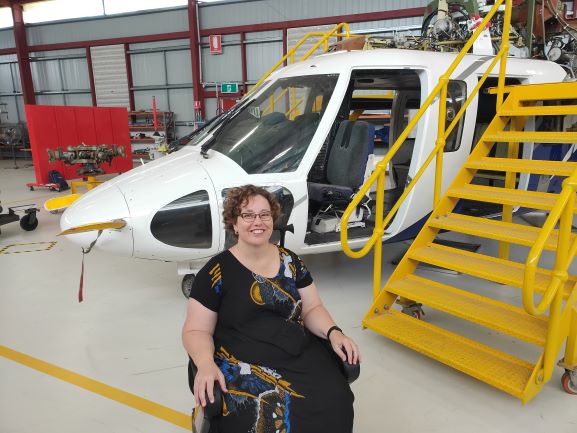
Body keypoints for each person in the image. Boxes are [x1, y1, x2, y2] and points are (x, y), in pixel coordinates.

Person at [182, 184, 361, 433]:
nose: (258, 221)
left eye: (264, 214)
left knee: (336, 399)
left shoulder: (291, 262)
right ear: (234, 222)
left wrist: (334, 332)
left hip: (295, 352)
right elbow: (195, 330)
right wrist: (204, 363)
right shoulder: (216, 272)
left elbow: (312, 308)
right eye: (248, 215)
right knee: (266, 419)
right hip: (243, 361)